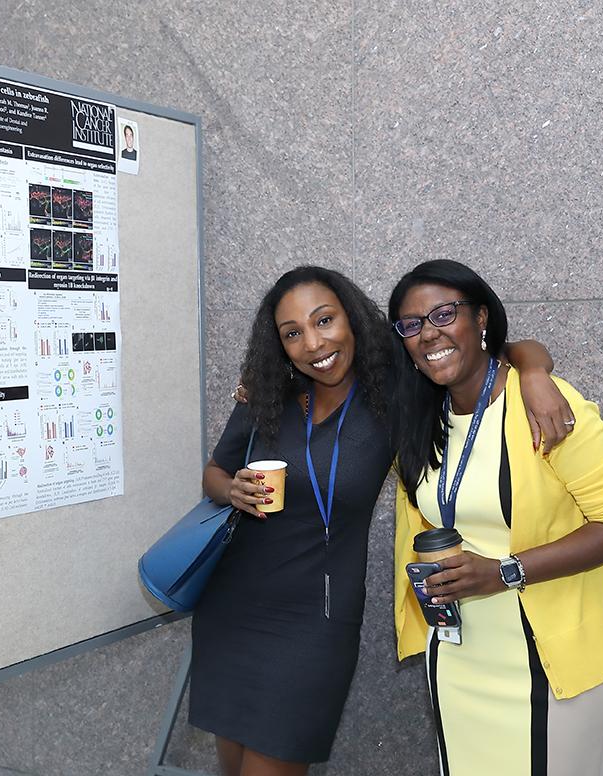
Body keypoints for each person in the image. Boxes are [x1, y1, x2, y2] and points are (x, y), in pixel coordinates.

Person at [194, 266, 569, 776]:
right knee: (232, 764)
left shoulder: (396, 393)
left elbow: (510, 347)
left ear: (351, 319)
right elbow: (214, 472)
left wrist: (535, 375)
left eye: (324, 320)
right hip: (233, 606)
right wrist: (231, 489)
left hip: (314, 618)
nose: (313, 343)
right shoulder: (269, 397)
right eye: (293, 333)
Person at [388, 260, 603, 776]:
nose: (429, 333)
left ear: (481, 316)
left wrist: (505, 570)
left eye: (444, 313)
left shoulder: (545, 404)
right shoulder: (422, 420)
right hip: (459, 662)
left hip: (555, 673)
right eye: (411, 324)